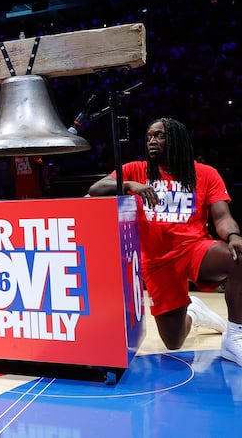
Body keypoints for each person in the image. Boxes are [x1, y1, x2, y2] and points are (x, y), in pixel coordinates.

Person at [88, 117, 242, 363]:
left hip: (194, 249)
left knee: (237, 258)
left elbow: (222, 216)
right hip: (157, 262)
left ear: (176, 140)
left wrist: (234, 236)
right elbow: (96, 189)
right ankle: (194, 312)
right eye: (149, 136)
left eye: (159, 136)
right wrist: (130, 185)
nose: (151, 141)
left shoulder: (205, 173)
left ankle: (235, 338)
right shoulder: (135, 170)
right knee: (173, 341)